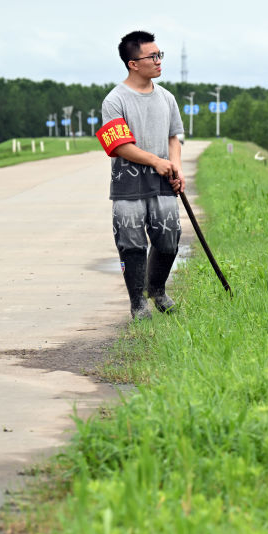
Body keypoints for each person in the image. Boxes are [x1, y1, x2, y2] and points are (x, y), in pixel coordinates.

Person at [97, 30, 186, 320]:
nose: (159, 61)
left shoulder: (167, 98)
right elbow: (120, 146)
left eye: (160, 55)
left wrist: (175, 166)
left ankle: (157, 290)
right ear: (133, 63)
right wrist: (156, 161)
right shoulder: (114, 101)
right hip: (129, 185)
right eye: (153, 56)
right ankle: (138, 304)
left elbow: (175, 135)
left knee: (169, 239)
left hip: (162, 184)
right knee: (132, 244)